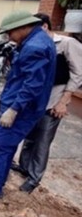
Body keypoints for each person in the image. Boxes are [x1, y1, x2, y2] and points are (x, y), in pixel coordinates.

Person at [0, 11, 56, 202]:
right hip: (20, 103)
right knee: (7, 147)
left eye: (10, 33)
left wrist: (14, 108)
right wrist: (3, 99)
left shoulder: (35, 47)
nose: (9, 37)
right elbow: (20, 78)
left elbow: (32, 84)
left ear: (22, 27)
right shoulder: (37, 40)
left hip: (23, 110)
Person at [11, 13, 82, 193]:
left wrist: (64, 101)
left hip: (53, 100)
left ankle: (34, 177)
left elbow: (78, 73)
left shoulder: (66, 44)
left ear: (43, 26)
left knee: (42, 141)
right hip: (34, 101)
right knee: (29, 137)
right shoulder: (32, 45)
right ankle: (24, 167)